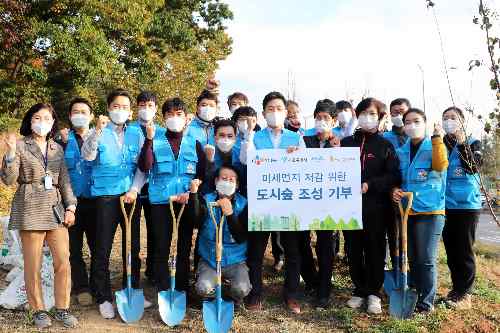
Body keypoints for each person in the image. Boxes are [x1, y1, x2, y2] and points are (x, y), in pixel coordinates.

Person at [1, 103, 78, 328]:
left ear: (53, 122)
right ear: (30, 120)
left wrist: (71, 206)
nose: (41, 122)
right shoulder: (20, 145)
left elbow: (64, 179)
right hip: (30, 205)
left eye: (46, 118)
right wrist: (11, 153)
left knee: (63, 260)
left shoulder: (57, 148)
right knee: (32, 263)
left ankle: (62, 308)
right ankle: (38, 310)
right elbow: (8, 180)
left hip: (55, 207)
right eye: (37, 117)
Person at [81, 88, 150, 319]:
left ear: (130, 112)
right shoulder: (97, 131)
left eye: (124, 107)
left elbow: (142, 167)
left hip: (130, 196)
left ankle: (132, 289)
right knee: (102, 248)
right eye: (115, 107)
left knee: (133, 247)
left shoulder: (136, 134)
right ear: (108, 109)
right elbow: (88, 156)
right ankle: (103, 296)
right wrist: (97, 132)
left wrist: (134, 189)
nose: (120, 111)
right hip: (105, 198)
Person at [240, 91, 305, 314]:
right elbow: (245, 160)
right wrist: (248, 136)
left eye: (279, 109)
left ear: (286, 113)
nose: (275, 113)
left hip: (288, 202)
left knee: (292, 251)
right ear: (263, 113)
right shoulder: (256, 137)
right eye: (270, 109)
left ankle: (291, 295)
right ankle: (255, 294)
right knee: (256, 251)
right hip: (262, 202)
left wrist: (297, 155)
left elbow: (305, 166)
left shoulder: (296, 137)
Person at [138, 97, 207, 301]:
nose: (174, 118)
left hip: (185, 201)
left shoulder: (194, 144)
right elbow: (145, 166)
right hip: (161, 202)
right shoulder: (155, 140)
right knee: (161, 245)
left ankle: (182, 288)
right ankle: (163, 288)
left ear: (187, 119)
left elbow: (202, 173)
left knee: (184, 246)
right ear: (164, 117)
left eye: (179, 115)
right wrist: (149, 140)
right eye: (169, 115)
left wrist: (193, 189)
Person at [341, 98, 401, 314]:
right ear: (357, 116)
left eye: (372, 114)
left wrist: (370, 184)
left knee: (375, 249)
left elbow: (393, 175)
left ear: (381, 117)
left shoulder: (385, 145)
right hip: (349, 208)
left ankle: (374, 292)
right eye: (363, 113)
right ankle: (359, 289)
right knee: (353, 249)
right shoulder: (347, 143)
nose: (367, 117)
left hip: (377, 207)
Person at [392, 108, 448, 314]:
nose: (412, 125)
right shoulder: (402, 151)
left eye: (416, 121)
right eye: (407, 122)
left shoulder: (434, 146)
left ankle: (427, 302)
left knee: (426, 257)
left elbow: (441, 166)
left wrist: (437, 139)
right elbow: (397, 178)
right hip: (408, 210)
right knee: (413, 257)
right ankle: (414, 291)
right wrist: (394, 190)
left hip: (430, 211)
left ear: (425, 123)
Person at [185, 168, 251, 305]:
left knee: (241, 289)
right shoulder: (206, 200)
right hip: (210, 259)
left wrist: (230, 214)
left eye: (231, 180)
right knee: (202, 288)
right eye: (224, 178)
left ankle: (232, 296)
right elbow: (196, 220)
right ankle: (211, 295)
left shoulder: (244, 204)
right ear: (216, 181)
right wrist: (193, 194)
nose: (227, 182)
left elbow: (240, 236)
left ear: (237, 185)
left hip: (236, 261)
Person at [300, 99, 341, 309]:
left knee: (325, 247)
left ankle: (323, 291)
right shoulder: (304, 141)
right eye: (318, 117)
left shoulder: (342, 142)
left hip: (329, 204)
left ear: (334, 121)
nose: (321, 121)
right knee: (301, 243)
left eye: (326, 118)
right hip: (305, 201)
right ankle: (311, 280)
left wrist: (339, 150)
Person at [441, 107, 482, 310]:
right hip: (445, 204)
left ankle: (465, 294)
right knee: (451, 248)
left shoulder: (473, 142)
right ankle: (456, 289)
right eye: (445, 118)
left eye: (453, 118)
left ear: (462, 122)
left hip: (466, 204)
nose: (449, 121)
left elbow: (473, 166)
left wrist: (462, 142)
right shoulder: (441, 143)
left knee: (464, 249)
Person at [58, 98, 96, 307]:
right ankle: (81, 286)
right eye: (75, 111)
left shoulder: (100, 137)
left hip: (96, 200)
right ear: (70, 116)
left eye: (84, 111)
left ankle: (99, 285)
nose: (79, 114)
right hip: (70, 202)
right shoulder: (61, 140)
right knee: (73, 247)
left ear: (91, 116)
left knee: (97, 245)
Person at [129, 91, 164, 284]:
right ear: (136, 108)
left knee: (156, 230)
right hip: (132, 187)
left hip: (155, 187)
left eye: (150, 105)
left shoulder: (162, 131)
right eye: (142, 105)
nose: (146, 109)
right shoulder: (129, 129)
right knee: (133, 232)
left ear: (156, 109)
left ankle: (153, 270)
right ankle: (133, 273)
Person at [381, 98, 411, 272]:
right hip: (389, 194)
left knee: (408, 237)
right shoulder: (384, 138)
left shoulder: (417, 138)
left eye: (402, 111)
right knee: (393, 234)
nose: (399, 115)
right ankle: (392, 267)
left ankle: (406, 270)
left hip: (412, 194)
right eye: (395, 113)